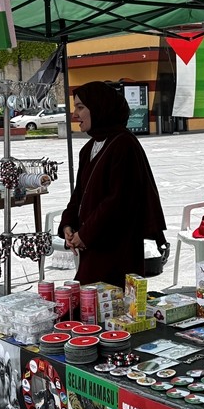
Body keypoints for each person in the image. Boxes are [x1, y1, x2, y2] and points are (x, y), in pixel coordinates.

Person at [59, 82, 166, 287]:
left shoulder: (124, 145)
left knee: (110, 305)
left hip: (117, 249)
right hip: (93, 246)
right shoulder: (89, 148)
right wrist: (68, 225)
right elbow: (79, 195)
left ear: (100, 107)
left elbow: (118, 200)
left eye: (80, 107)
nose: (75, 115)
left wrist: (85, 233)